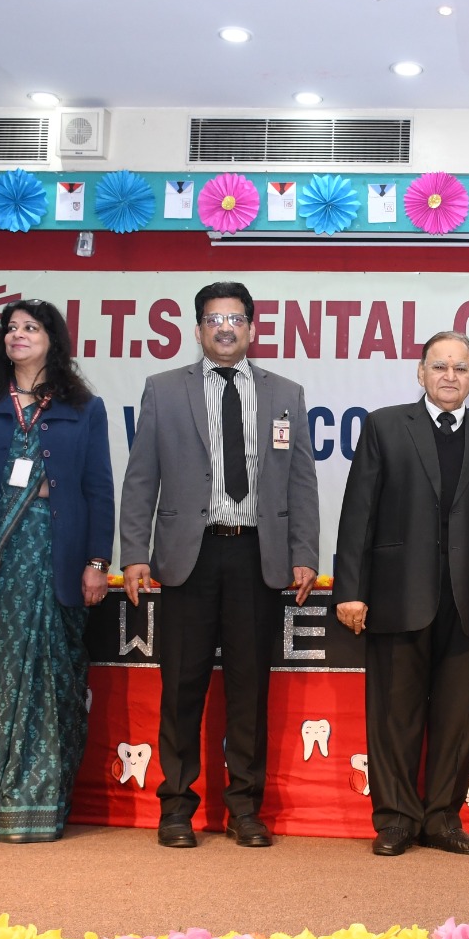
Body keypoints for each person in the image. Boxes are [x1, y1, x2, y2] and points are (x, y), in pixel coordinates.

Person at [120, 280, 319, 849]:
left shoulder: (285, 393)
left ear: (252, 329)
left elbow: (301, 480)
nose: (225, 328)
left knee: (248, 689)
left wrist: (304, 553)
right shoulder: (163, 389)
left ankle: (244, 809)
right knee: (181, 686)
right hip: (190, 555)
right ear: (198, 329)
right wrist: (134, 553)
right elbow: (141, 478)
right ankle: (176, 808)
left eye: (235, 319)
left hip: (257, 554)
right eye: (214, 319)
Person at [334, 331, 469, 857]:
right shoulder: (385, 426)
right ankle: (396, 819)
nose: (449, 376)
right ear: (420, 373)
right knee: (393, 715)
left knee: (457, 718)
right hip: (397, 594)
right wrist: (350, 590)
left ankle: (442, 818)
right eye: (439, 366)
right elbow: (358, 514)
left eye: (460, 368)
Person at [0, 300, 114, 843]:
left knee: (49, 684)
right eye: (10, 328)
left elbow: (99, 489)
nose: (17, 335)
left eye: (30, 328)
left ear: (53, 340)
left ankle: (35, 808)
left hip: (55, 562)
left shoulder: (84, 407)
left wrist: (97, 562)